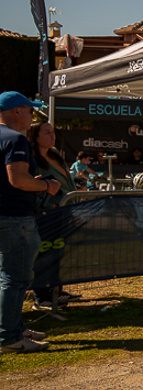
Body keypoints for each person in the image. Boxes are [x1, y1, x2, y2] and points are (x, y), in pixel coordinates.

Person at [0, 91, 58, 353]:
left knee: (7, 279)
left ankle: (14, 329)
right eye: (29, 111)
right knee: (15, 280)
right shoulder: (15, 139)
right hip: (15, 218)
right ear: (16, 111)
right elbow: (18, 180)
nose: (32, 117)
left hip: (7, 216)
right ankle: (10, 338)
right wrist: (46, 185)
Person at [26, 122, 80, 309]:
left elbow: (67, 181)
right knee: (44, 255)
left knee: (58, 253)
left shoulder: (55, 154)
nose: (52, 135)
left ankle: (57, 291)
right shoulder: (31, 159)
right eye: (47, 133)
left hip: (65, 211)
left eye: (53, 132)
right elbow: (31, 186)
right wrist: (50, 204)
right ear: (35, 137)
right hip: (47, 214)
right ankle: (41, 296)